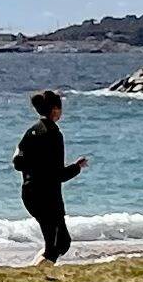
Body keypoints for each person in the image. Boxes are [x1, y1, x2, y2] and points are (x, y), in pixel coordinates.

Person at [13, 88, 89, 262]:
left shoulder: (31, 131)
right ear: (55, 110)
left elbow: (18, 163)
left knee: (57, 242)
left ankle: (36, 269)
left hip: (29, 193)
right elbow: (58, 175)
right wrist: (77, 167)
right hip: (47, 195)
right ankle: (37, 273)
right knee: (59, 243)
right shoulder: (54, 135)